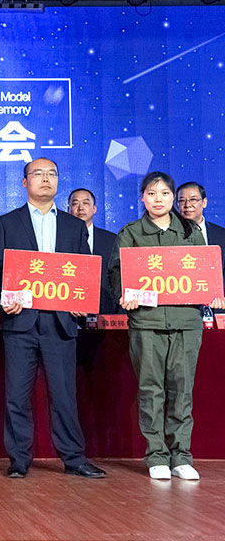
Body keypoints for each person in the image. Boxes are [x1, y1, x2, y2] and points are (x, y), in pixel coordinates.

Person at [0, 158, 106, 479]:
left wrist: (83, 302)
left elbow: (84, 271)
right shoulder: (6, 223)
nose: (45, 179)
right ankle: (18, 459)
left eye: (52, 173)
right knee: (16, 395)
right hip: (20, 322)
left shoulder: (73, 225)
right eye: (38, 174)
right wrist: (3, 298)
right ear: (25, 182)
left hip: (60, 323)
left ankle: (74, 458)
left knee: (64, 395)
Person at [109, 172, 225, 480]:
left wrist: (214, 292)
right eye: (151, 193)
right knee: (151, 389)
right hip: (146, 322)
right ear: (142, 198)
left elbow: (204, 271)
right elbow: (116, 273)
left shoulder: (190, 231)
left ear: (173, 198)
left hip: (186, 322)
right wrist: (124, 294)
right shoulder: (131, 233)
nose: (158, 199)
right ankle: (156, 455)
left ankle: (181, 456)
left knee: (182, 390)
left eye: (164, 193)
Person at [67, 188, 119, 314]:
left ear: (94, 209)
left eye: (86, 203)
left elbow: (118, 277)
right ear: (68, 209)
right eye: (75, 204)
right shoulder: (59, 239)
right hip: (70, 310)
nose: (80, 208)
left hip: (105, 310)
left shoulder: (111, 240)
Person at [177, 181, 225, 269]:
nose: (187, 205)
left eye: (193, 200)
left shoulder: (222, 234)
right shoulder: (168, 234)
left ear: (204, 202)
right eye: (182, 200)